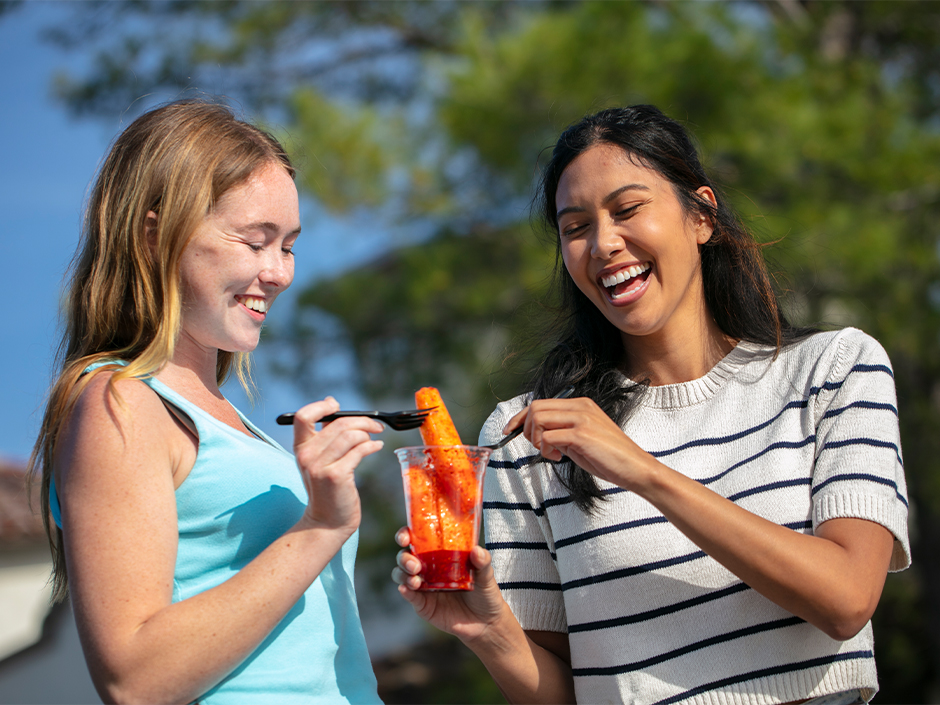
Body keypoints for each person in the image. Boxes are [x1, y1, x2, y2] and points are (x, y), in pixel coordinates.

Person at [394, 105, 910, 704]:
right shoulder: (526, 435)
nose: (604, 243)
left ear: (701, 215)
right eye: (575, 226)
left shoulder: (833, 368)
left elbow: (846, 600)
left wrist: (639, 470)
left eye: (628, 209)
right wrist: (487, 631)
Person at [27, 99, 386, 704]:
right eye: (254, 241)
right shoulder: (120, 402)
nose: (279, 273)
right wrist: (319, 527)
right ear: (152, 234)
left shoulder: (225, 418)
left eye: (289, 246)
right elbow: (134, 678)